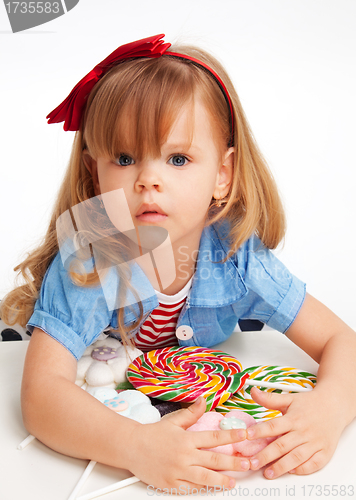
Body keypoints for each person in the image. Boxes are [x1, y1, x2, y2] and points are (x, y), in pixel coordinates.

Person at [1, 34, 355, 491]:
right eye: (125, 158)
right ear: (95, 173)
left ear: (222, 175)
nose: (149, 178)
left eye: (178, 158)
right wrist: (134, 445)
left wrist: (331, 405)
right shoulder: (91, 257)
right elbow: (42, 396)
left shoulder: (237, 256)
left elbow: (341, 340)